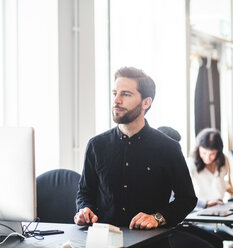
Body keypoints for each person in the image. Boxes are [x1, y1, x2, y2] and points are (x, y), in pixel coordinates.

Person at [75, 67, 197, 245]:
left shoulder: (168, 148)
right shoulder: (96, 145)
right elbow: (85, 192)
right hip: (104, 242)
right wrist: (85, 210)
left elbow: (187, 199)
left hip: (151, 244)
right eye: (115, 93)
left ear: (146, 102)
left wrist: (157, 218)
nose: (116, 100)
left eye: (126, 94)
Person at [187, 128, 233, 248]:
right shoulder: (191, 163)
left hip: (219, 210)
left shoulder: (223, 160)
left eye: (212, 154)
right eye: (204, 153)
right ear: (198, 149)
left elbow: (222, 183)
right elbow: (184, 193)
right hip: (201, 215)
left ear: (218, 152)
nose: (207, 158)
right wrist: (206, 203)